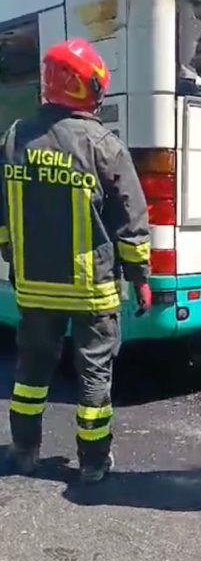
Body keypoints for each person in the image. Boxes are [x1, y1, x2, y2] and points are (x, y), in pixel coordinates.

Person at [0, 38, 152, 483]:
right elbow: (131, 220)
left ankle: (24, 451)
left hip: (34, 285)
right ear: (85, 87)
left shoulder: (14, 137)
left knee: (31, 374)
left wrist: (12, 255)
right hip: (92, 288)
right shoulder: (103, 144)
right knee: (93, 377)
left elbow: (2, 214)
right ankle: (93, 463)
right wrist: (140, 277)